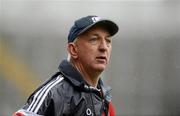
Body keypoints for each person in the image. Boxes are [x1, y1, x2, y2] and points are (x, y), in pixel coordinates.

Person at [13, 15, 119, 116]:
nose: (104, 47)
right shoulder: (54, 95)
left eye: (108, 41)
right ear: (73, 50)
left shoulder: (105, 100)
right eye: (94, 40)